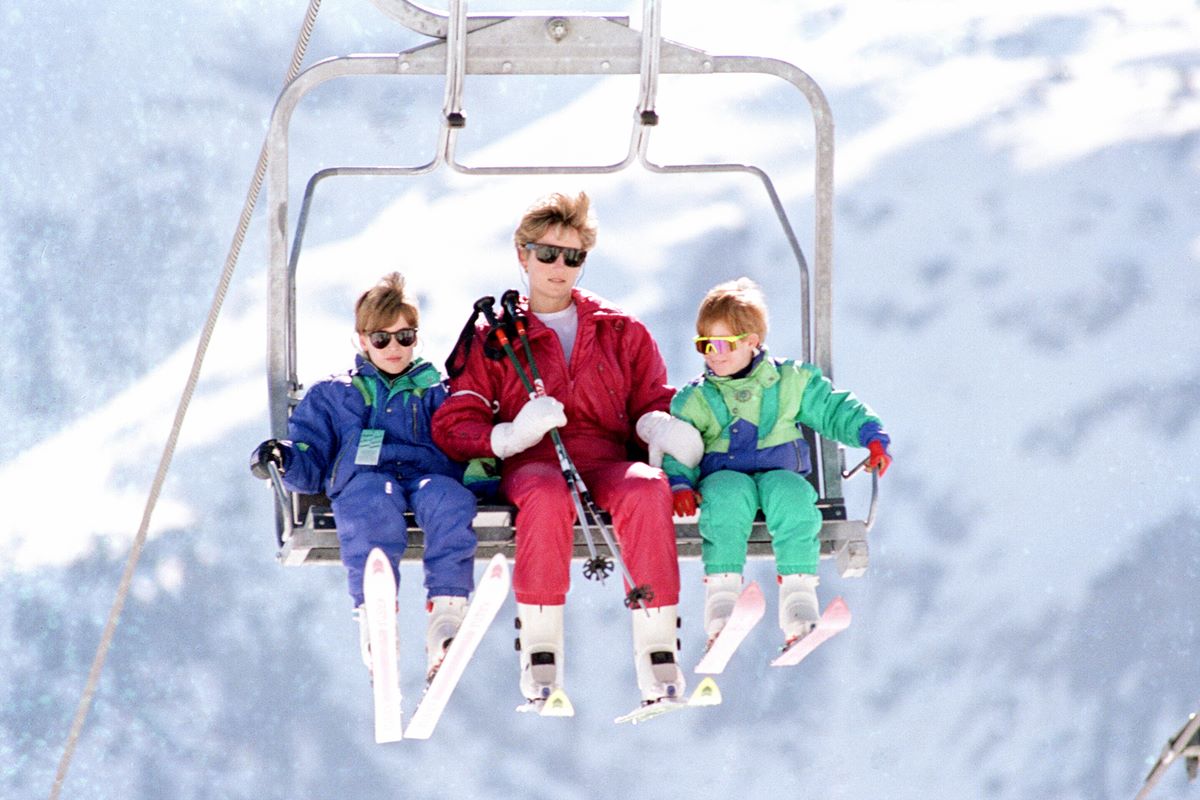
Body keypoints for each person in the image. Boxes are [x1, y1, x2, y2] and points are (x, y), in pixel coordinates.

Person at [432, 191, 704, 710]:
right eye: (547, 254)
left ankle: (658, 647)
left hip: (606, 456)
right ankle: (540, 646)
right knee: (544, 494)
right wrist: (510, 436)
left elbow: (652, 397)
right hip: (533, 460)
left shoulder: (620, 331)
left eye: (572, 256)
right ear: (523, 255)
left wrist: (661, 425)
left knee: (648, 489)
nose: (559, 267)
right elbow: (455, 421)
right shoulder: (496, 337)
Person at [249, 272, 478, 683]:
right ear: (361, 339)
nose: (394, 348)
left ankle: (447, 617)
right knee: (372, 503)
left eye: (405, 337)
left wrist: (490, 465)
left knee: (449, 500)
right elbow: (312, 458)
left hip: (425, 478)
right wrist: (284, 458)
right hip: (366, 481)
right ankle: (378, 620)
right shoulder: (335, 396)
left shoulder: (436, 393)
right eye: (382, 338)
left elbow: (464, 441)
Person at [664, 277, 892, 652]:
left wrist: (870, 435)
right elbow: (680, 446)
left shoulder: (789, 382)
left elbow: (833, 408)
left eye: (721, 344)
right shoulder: (697, 400)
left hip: (779, 474)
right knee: (725, 500)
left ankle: (799, 602)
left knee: (794, 499)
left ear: (752, 342)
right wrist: (680, 485)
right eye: (704, 345)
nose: (712, 355)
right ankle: (722, 603)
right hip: (724, 478)